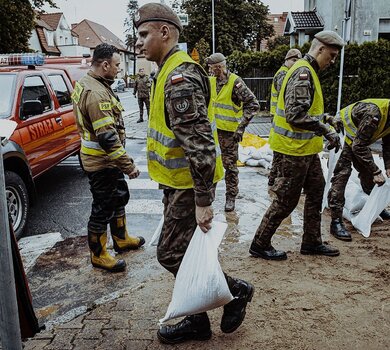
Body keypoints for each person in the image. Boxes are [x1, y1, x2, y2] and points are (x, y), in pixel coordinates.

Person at [134, 3, 254, 344]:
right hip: (177, 182)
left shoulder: (179, 76)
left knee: (170, 253)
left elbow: (200, 146)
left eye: (144, 34)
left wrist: (203, 200)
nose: (139, 42)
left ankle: (236, 291)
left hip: (190, 184)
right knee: (184, 252)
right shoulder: (166, 70)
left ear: (165, 32)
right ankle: (198, 321)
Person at [249, 31, 344, 261]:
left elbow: (309, 110)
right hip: (293, 149)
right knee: (286, 199)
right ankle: (260, 243)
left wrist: (327, 119)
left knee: (316, 190)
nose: (332, 62)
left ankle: (311, 241)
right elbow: (295, 115)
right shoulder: (303, 72)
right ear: (319, 49)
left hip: (306, 150)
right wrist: (326, 130)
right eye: (331, 56)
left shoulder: (308, 70)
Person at [72, 43, 145, 272]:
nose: (119, 69)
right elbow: (107, 137)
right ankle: (99, 254)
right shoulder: (96, 93)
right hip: (101, 161)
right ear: (104, 65)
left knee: (118, 197)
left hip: (107, 160)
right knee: (103, 207)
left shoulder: (92, 83)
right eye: (116, 65)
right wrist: (129, 166)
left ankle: (121, 239)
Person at [328, 99, 390, 241]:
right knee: (342, 176)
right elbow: (358, 147)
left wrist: (388, 166)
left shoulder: (388, 116)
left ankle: (374, 208)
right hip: (343, 136)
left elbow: (388, 144)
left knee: (368, 174)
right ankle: (336, 221)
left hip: (357, 139)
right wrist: (376, 171)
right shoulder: (374, 114)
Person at [206, 52, 260, 212]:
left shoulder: (235, 82)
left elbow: (253, 104)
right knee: (211, 165)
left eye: (212, 67)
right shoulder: (210, 81)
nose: (209, 70)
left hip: (229, 134)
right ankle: (210, 196)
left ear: (219, 67)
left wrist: (241, 127)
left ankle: (231, 197)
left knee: (230, 167)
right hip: (212, 133)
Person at [268, 48, 302, 187]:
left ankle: (273, 179)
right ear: (286, 60)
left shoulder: (287, 73)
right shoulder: (283, 74)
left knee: (280, 151)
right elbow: (289, 93)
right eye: (293, 60)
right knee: (281, 151)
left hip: (281, 116)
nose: (295, 63)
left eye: (297, 61)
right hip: (280, 117)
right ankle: (276, 180)